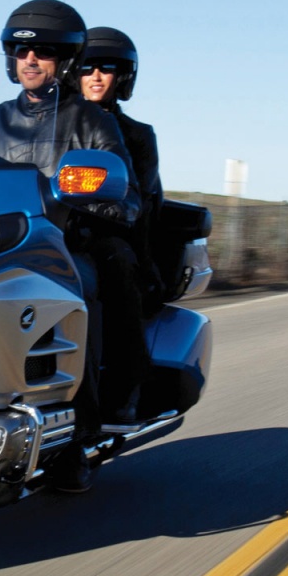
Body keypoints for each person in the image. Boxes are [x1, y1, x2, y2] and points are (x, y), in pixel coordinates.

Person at [0, 0, 141, 492]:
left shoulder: (92, 122)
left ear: (65, 60)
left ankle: (75, 439)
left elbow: (128, 198)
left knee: (77, 295)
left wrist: (82, 198)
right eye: (20, 50)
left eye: (43, 52)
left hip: (59, 247)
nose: (30, 60)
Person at [78, 26, 164, 423]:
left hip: (108, 233)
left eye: (106, 69)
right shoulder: (50, 123)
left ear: (123, 77)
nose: (95, 76)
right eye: (86, 67)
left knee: (113, 261)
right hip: (45, 228)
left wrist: (147, 264)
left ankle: (124, 386)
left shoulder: (137, 136)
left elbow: (140, 204)